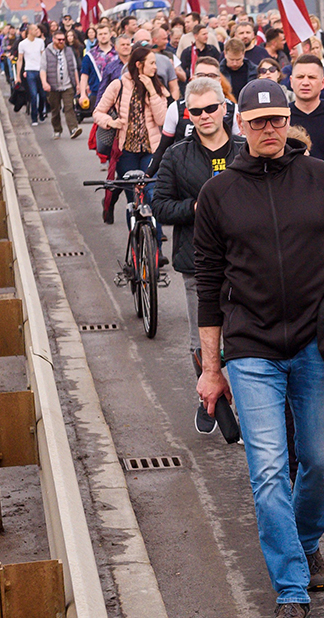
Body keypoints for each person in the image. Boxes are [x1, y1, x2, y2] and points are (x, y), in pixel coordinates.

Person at [196, 78, 324, 618]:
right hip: (250, 348)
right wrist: (210, 367)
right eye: (257, 122)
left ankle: (302, 541)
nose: (268, 129)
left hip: (314, 345)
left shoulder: (322, 178)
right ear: (240, 126)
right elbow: (207, 285)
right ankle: (291, 591)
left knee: (318, 462)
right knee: (268, 469)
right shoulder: (218, 195)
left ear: (286, 124)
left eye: (276, 120)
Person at [150, 76, 238, 386]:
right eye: (196, 111)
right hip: (196, 260)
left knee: (243, 339)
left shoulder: (244, 150)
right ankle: (210, 394)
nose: (204, 116)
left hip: (244, 260)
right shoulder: (176, 155)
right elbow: (160, 206)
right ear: (188, 114)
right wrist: (194, 208)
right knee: (202, 339)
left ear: (224, 108)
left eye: (211, 108)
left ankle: (245, 407)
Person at [94, 45, 169, 221]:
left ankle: (155, 245)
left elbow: (162, 120)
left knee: (150, 193)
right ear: (139, 64)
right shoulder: (118, 85)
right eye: (151, 63)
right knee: (133, 197)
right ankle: (135, 239)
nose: (155, 67)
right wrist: (111, 122)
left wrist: (151, 91)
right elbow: (98, 112)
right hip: (126, 151)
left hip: (151, 151)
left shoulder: (158, 88)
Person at [152, 57, 235, 175]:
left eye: (211, 76)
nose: (205, 116)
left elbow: (240, 147)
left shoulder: (233, 109)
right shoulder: (176, 108)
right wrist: (148, 174)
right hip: (187, 169)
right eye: (196, 111)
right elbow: (163, 147)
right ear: (193, 78)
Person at [42, 30, 82, 140]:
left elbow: (74, 68)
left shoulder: (69, 51)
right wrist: (44, 82)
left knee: (69, 107)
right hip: (53, 85)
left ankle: (73, 129)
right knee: (55, 109)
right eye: (59, 40)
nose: (61, 42)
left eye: (63, 40)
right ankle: (57, 130)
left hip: (67, 84)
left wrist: (78, 84)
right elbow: (43, 69)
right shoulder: (47, 52)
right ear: (54, 39)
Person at [16, 24, 47, 125]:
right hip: (30, 71)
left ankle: (41, 111)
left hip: (40, 70)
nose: (37, 31)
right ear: (29, 31)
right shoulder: (22, 44)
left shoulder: (40, 42)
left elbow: (43, 56)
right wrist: (18, 75)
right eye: (35, 29)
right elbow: (20, 60)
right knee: (33, 94)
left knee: (43, 95)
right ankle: (34, 117)